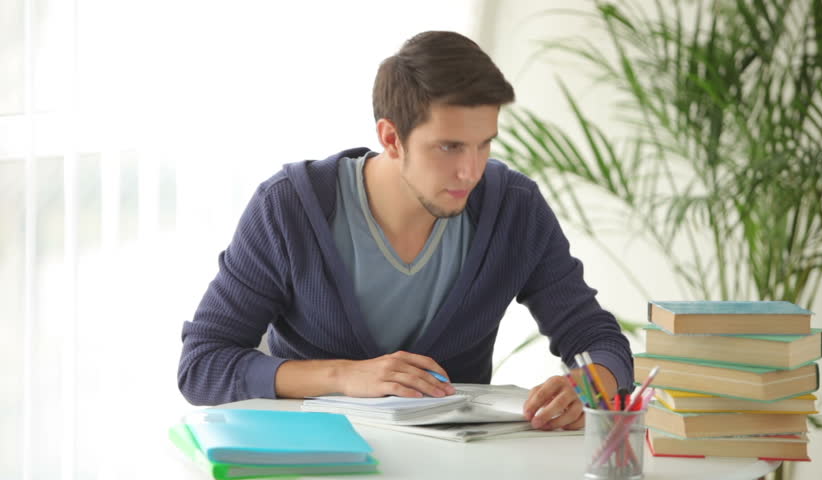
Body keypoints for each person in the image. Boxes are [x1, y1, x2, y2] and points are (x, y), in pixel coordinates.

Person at [178, 31, 633, 431]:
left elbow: (596, 338)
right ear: (391, 138)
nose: (471, 171)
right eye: (449, 147)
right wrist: (343, 376)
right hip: (317, 461)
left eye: (484, 143)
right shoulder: (288, 208)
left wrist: (588, 384)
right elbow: (202, 364)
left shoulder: (515, 208)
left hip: (456, 463)